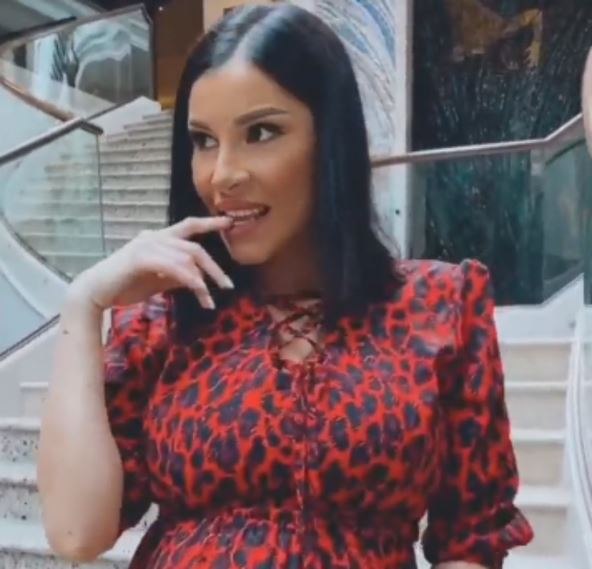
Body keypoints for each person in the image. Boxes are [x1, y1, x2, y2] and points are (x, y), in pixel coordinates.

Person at [37, 4, 533, 568]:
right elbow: (77, 533)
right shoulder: (165, 319)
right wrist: (84, 303)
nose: (223, 174)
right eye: (203, 140)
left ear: (330, 140)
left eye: (261, 132)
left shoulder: (438, 306)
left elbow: (471, 537)